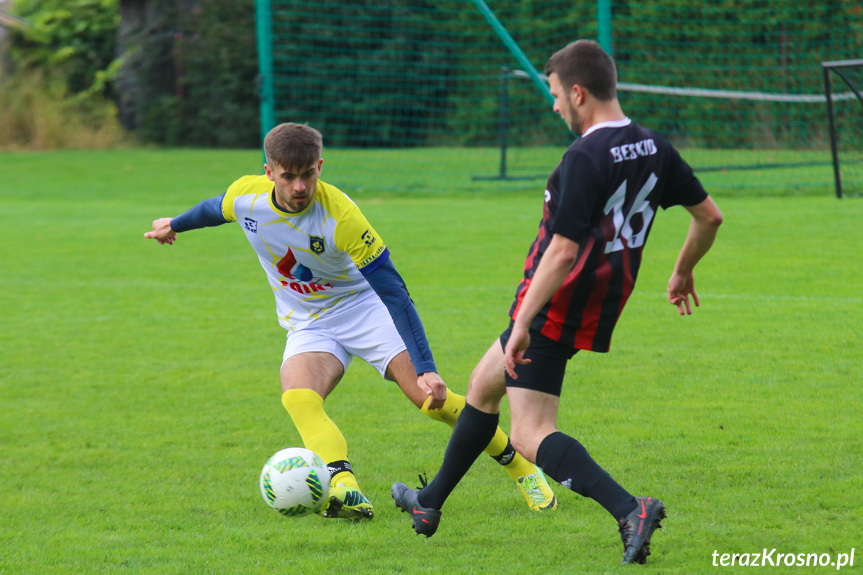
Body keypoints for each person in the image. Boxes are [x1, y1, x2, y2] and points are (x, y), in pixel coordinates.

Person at [392, 40, 722, 564]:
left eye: (554, 95)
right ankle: (428, 504)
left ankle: (628, 507)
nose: (553, 106)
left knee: (529, 433)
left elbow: (563, 250)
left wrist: (523, 320)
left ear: (577, 92)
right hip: (601, 296)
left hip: (556, 302)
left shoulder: (584, 156)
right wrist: (683, 270)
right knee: (481, 387)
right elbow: (710, 217)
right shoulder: (655, 147)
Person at [144, 122, 557, 520]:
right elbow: (214, 209)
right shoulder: (246, 196)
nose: (300, 186)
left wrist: (427, 367)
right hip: (308, 320)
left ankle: (521, 466)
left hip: (365, 308)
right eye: (288, 177)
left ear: (320, 166)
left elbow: (394, 292)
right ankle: (343, 487)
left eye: (308, 174)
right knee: (299, 398)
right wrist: (173, 224)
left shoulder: (341, 217)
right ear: (268, 172)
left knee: (429, 401)